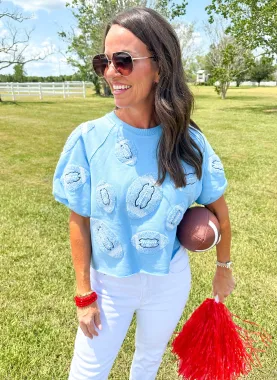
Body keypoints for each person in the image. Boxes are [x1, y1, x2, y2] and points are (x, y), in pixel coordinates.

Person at [52, 6, 235, 380]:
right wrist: (84, 293)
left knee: (148, 363)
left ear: (160, 68)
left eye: (123, 61)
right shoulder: (88, 139)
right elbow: (79, 220)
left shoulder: (190, 143)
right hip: (109, 285)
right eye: (103, 61)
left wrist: (223, 268)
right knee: (86, 373)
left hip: (169, 279)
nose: (110, 74)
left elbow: (220, 210)